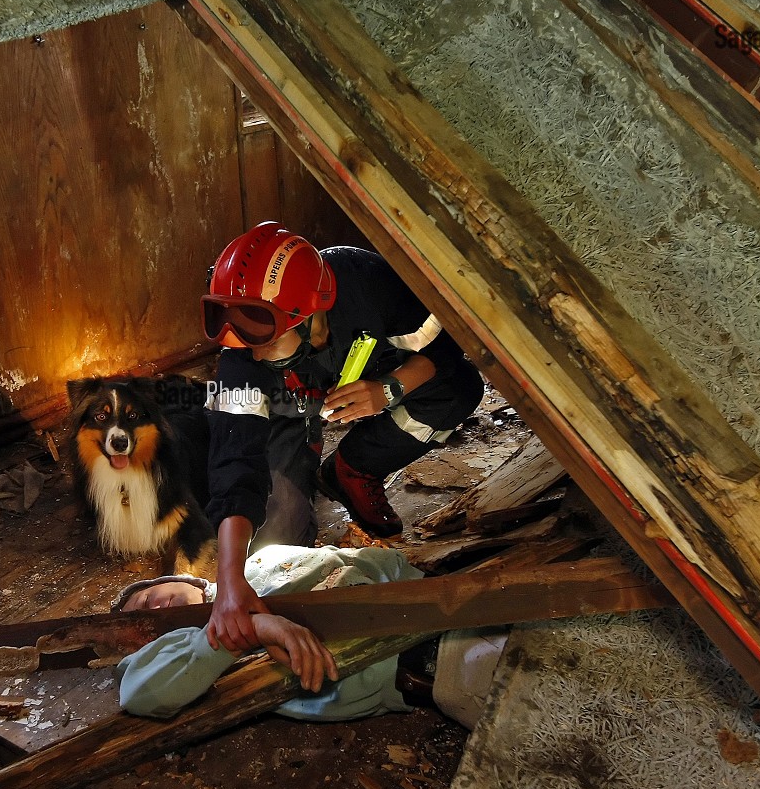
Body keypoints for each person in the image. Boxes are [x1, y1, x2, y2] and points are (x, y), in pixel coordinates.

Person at [197, 222, 484, 653]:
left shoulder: (370, 284)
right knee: (279, 550)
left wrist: (388, 389)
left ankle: (354, 468)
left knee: (460, 389)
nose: (253, 353)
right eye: (241, 338)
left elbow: (445, 355)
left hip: (374, 376)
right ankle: (302, 471)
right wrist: (230, 581)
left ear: (308, 314)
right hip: (290, 408)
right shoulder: (242, 356)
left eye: (265, 339)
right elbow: (235, 464)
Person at [115, 544, 421, 720]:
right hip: (416, 664)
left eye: (144, 601)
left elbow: (363, 560)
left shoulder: (264, 559)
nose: (155, 612)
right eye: (148, 629)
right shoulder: (215, 667)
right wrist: (247, 630)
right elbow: (139, 694)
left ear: (179, 579)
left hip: (425, 595)